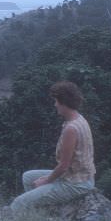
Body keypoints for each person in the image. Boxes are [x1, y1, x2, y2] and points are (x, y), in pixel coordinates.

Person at [10, 81, 95, 210]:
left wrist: (47, 180)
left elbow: (63, 166)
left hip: (77, 183)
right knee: (28, 177)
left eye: (56, 101)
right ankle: (38, 212)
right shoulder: (79, 119)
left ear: (64, 103)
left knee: (18, 203)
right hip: (78, 175)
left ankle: (27, 214)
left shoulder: (71, 129)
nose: (55, 105)